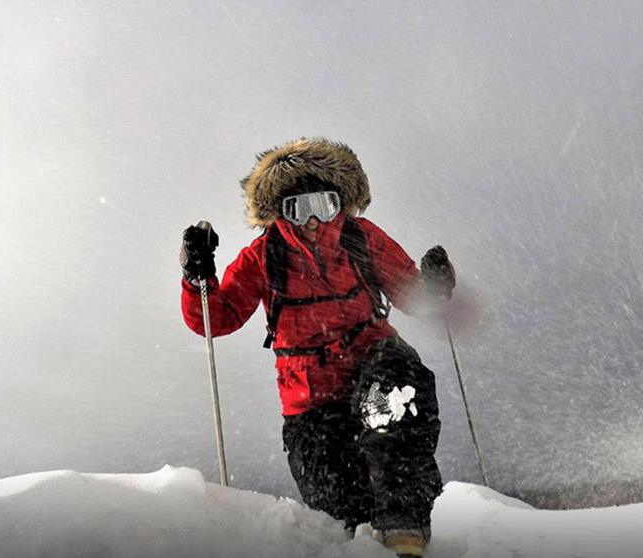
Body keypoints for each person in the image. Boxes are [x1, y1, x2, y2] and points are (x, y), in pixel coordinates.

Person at [179, 137, 456, 557]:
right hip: (310, 401)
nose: (312, 220)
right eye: (298, 208)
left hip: (376, 364)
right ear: (280, 213)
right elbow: (217, 318)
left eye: (323, 206)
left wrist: (434, 285)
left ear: (339, 203)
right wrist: (197, 276)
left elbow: (411, 294)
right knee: (340, 515)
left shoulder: (360, 238)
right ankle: (362, 540)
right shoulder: (265, 255)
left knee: (393, 412)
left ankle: (405, 528)